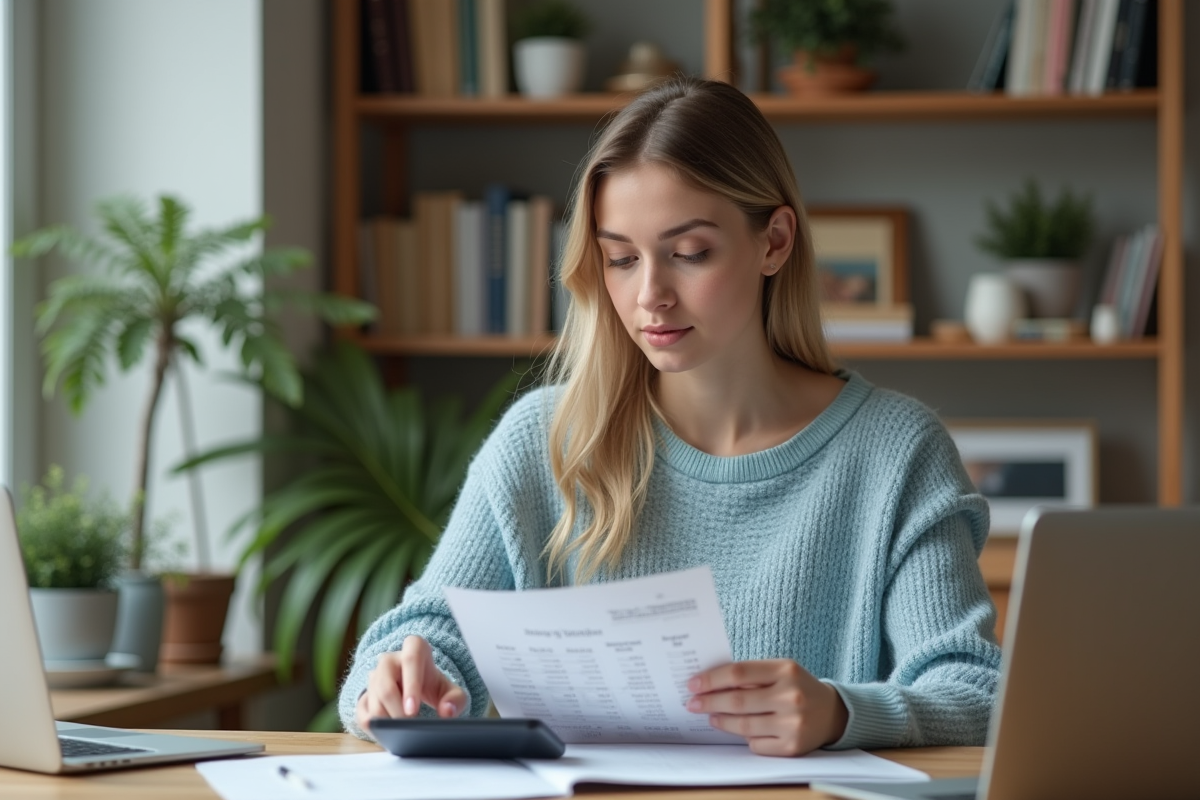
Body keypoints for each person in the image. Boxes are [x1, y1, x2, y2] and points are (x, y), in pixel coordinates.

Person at [339, 77, 1000, 757]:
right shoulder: (545, 440)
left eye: (689, 254)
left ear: (774, 242)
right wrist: (399, 683)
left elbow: (975, 691)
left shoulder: (897, 452)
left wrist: (840, 713)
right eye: (621, 258)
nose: (649, 294)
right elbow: (426, 632)